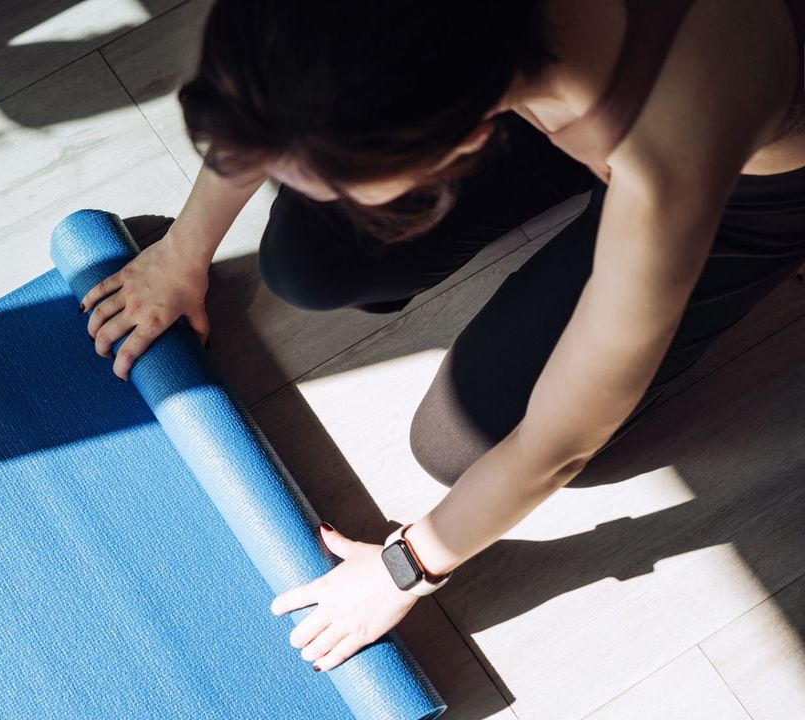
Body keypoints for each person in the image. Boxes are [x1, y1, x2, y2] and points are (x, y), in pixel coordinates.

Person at [79, 0, 805, 672]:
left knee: (467, 440)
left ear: (463, 141)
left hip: (745, 187)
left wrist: (406, 567)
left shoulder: (672, 144)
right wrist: (183, 250)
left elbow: (560, 440)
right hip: (548, 92)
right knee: (311, 261)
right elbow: (272, 82)